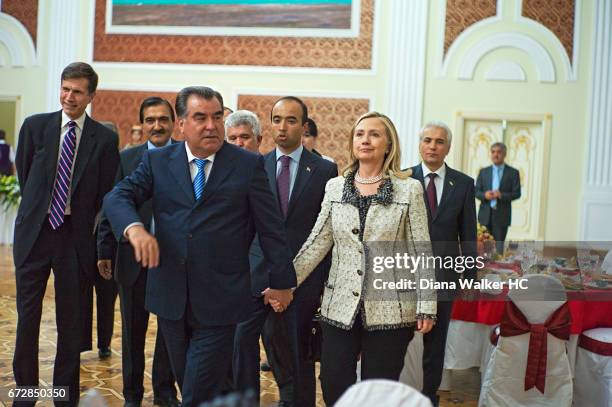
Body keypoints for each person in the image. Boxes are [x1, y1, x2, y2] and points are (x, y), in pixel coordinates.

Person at [102, 86, 296, 406]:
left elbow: (271, 227)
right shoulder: (159, 162)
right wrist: (134, 228)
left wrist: (282, 281)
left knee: (195, 391)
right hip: (170, 296)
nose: (211, 125)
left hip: (221, 299)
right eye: (200, 117)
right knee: (193, 382)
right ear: (181, 125)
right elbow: (118, 196)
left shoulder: (248, 165)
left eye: (217, 117)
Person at [291, 111, 437, 406]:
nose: (365, 140)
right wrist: (285, 282)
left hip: (392, 307)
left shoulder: (409, 189)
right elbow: (318, 242)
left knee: (378, 390)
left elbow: (421, 251)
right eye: (360, 134)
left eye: (374, 134)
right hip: (339, 304)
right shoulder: (335, 186)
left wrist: (426, 305)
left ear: (388, 144)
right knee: (333, 383)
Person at [13, 62, 119, 406]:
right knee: (28, 318)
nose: (69, 97)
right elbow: (26, 174)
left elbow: (106, 192)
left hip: (75, 240)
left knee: (71, 324)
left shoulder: (104, 138)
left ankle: (64, 397)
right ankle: (26, 394)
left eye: (77, 91)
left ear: (90, 95)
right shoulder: (34, 127)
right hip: (35, 235)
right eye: (65, 89)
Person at [233, 97, 337, 407]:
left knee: (294, 356)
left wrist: (320, 285)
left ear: (304, 127)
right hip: (255, 275)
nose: (282, 126)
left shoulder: (324, 169)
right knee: (242, 346)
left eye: (291, 120)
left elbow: (327, 230)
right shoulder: (255, 165)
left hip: (300, 281)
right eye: (277, 119)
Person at [97, 98, 179, 407]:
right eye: (150, 120)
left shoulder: (184, 156)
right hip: (132, 259)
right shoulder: (128, 158)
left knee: (169, 332)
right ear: (142, 124)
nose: (156, 125)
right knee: (132, 333)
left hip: (173, 262)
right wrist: (104, 248)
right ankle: (132, 395)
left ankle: (164, 391)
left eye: (162, 119)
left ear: (174, 123)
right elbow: (112, 203)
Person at [408, 121, 477, 407]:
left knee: (435, 346)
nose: (432, 146)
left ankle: (428, 397)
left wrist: (469, 276)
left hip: (443, 277)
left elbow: (468, 233)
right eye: (427, 140)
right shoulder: (403, 178)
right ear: (420, 144)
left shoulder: (462, 184)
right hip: (403, 273)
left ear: (447, 147)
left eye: (439, 141)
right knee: (396, 341)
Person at [79, 120, 120, 360]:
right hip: (84, 244)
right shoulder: (85, 167)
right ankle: (83, 342)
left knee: (106, 299)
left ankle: (104, 343)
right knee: (82, 297)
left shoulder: (121, 167)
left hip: (110, 247)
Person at [475, 142, 521, 254]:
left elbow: (517, 193)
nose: (496, 155)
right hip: (485, 216)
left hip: (502, 217)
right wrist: (485, 195)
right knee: (482, 249)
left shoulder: (513, 173)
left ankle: (497, 271)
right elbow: (476, 191)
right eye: (493, 152)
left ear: (504, 154)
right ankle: (484, 270)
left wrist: (500, 195)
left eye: (499, 152)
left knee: (498, 250)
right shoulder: (483, 172)